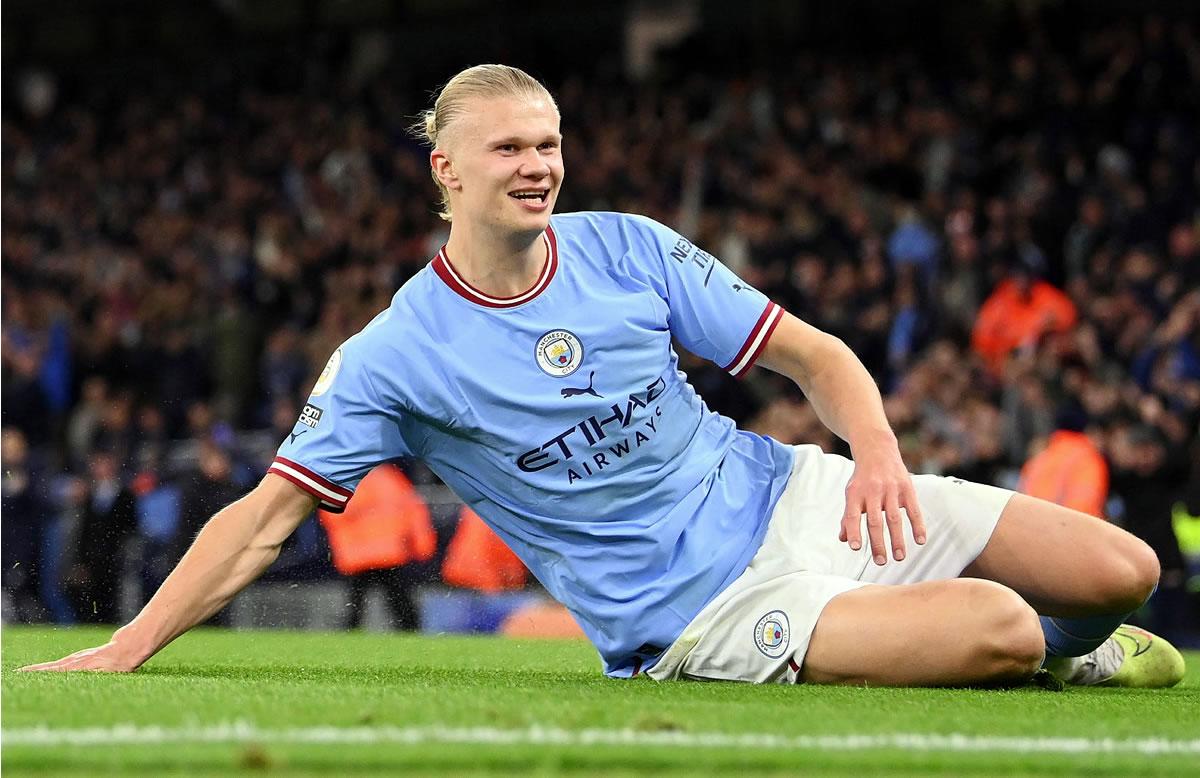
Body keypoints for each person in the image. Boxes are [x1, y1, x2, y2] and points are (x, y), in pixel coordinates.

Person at [23, 65, 1184, 688]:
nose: (539, 167)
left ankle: (1048, 644)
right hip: (699, 610)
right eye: (511, 149)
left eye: (550, 143)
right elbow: (265, 518)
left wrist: (873, 454)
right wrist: (131, 644)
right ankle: (1044, 664)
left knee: (1120, 569)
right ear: (447, 171)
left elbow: (814, 354)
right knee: (1001, 628)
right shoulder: (394, 352)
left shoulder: (626, 244)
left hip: (793, 490)